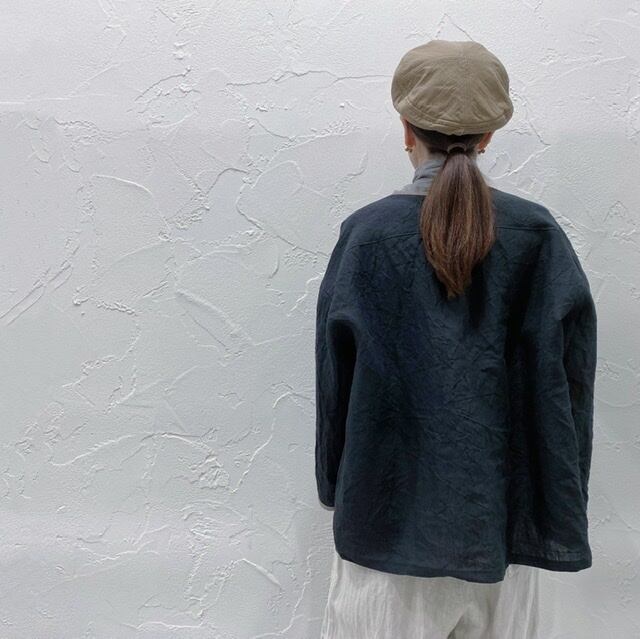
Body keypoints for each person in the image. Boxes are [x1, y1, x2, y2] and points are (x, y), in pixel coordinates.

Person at [314, 40, 597, 638]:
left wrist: (337, 487)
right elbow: (572, 385)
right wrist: (558, 498)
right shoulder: (538, 236)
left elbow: (334, 380)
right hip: (502, 536)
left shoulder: (367, 236)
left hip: (384, 532)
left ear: (405, 128)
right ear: (490, 136)